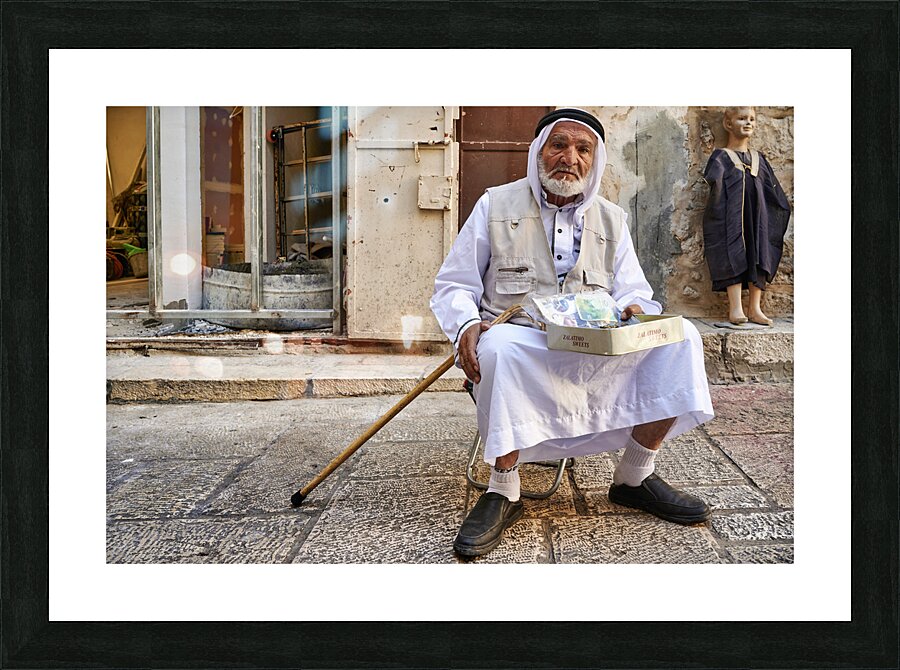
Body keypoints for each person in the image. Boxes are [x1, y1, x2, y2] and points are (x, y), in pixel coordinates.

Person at [430, 108, 715, 558]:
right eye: (558, 145)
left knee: (683, 338)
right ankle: (503, 488)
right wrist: (466, 325)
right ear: (538, 152)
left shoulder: (611, 218)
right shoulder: (495, 204)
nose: (570, 157)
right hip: (524, 340)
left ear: (595, 160)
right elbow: (454, 284)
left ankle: (634, 476)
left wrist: (637, 309)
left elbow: (633, 291)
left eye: (583, 149)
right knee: (500, 347)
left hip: (596, 345)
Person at [702, 107, 792, 326]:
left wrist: (773, 215)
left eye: (752, 119)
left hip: (759, 218)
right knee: (731, 250)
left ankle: (755, 307)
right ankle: (735, 308)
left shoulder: (758, 158)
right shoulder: (722, 157)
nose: (748, 123)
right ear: (728, 124)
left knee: (760, 252)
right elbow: (713, 185)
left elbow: (773, 192)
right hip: (731, 218)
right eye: (742, 119)